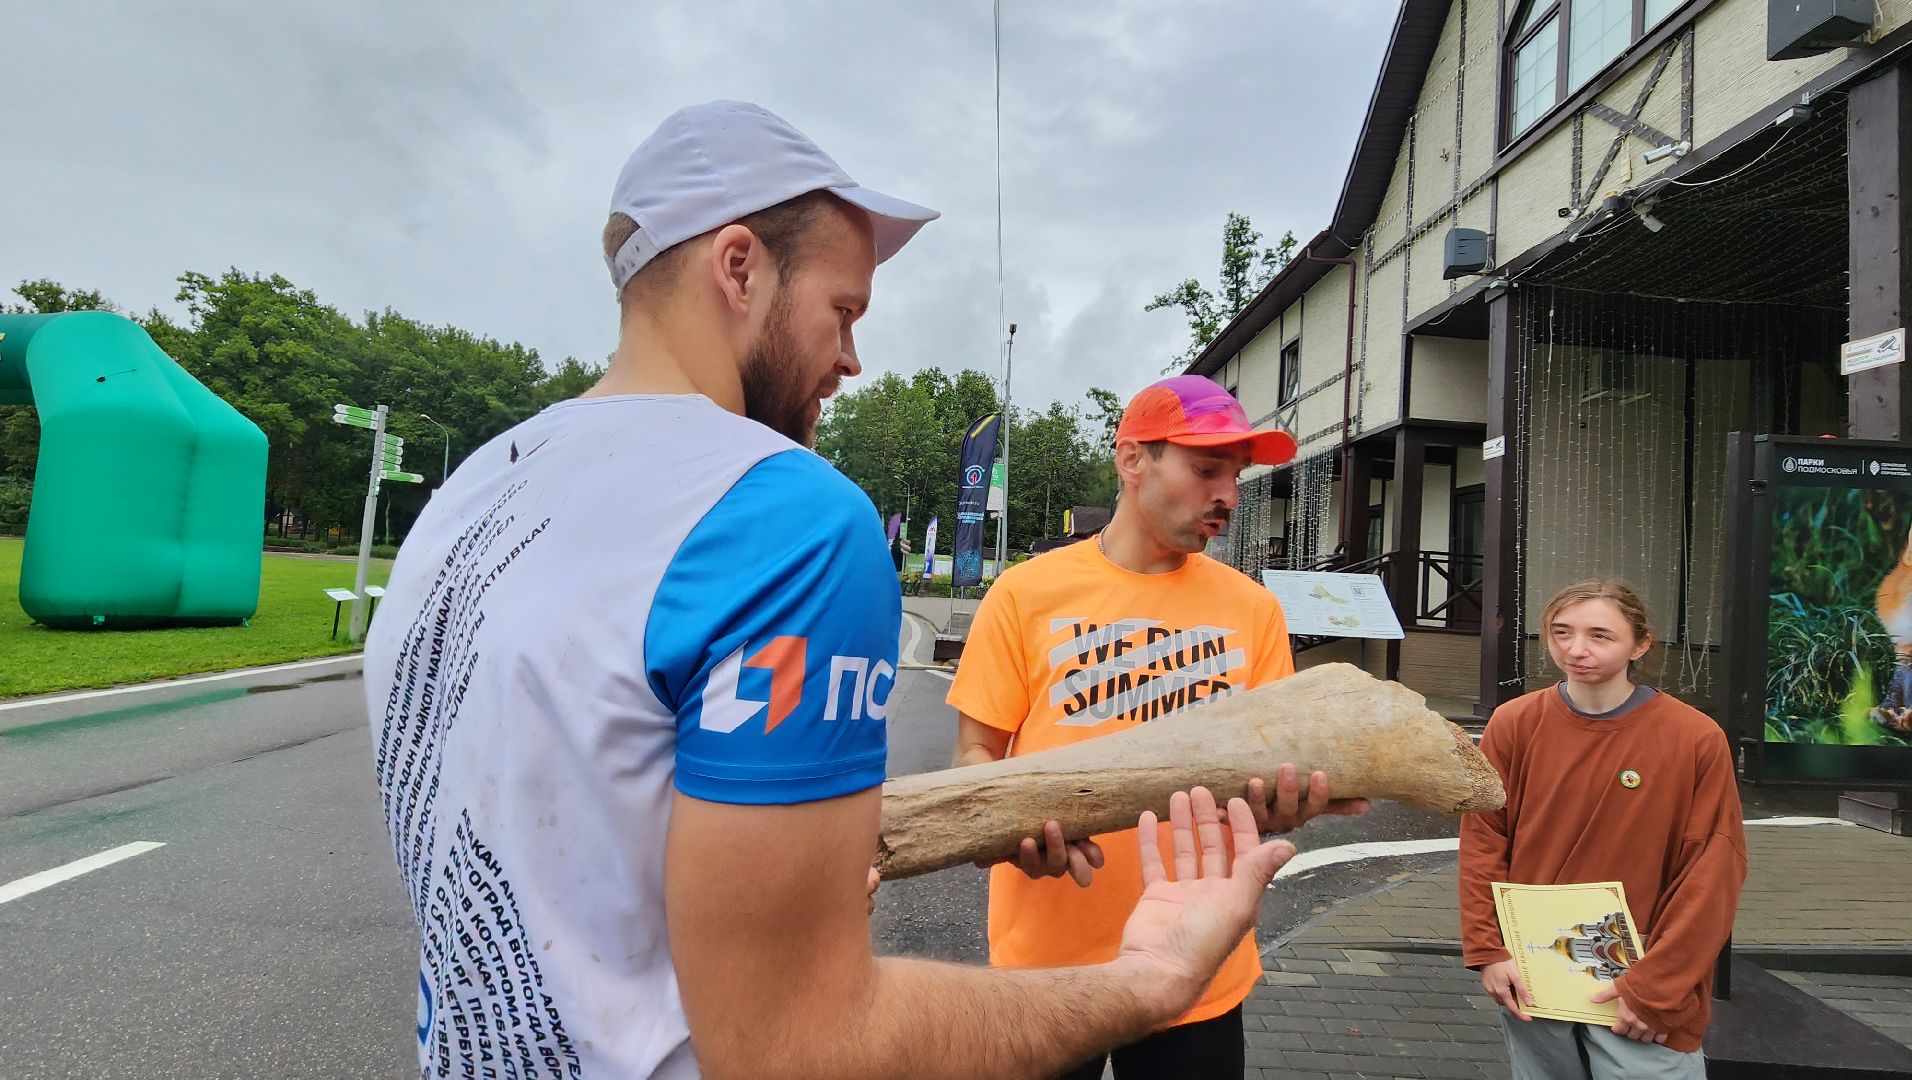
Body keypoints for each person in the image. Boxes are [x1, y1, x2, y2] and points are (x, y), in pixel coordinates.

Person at [363, 101, 1299, 1080]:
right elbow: (799, 1046)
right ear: (738, 268)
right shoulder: (788, 519)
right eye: (842, 311)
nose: (851, 361)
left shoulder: (472, 492)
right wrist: (1145, 983)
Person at [946, 375, 1370, 1080]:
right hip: (1047, 963)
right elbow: (976, 751)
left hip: (1199, 955)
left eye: (1236, 475)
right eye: (1207, 470)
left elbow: (1268, 766)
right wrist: (1004, 831)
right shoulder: (1025, 593)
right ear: (1132, 458)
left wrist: (1281, 805)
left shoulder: (1253, 609)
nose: (1229, 495)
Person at [1458, 579, 1748, 1080]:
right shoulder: (1514, 724)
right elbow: (1484, 844)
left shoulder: (1694, 738)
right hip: (1536, 970)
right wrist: (1488, 950)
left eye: (1600, 635)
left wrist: (1658, 987)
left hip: (1641, 979)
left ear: (1640, 644)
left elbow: (1713, 870)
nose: (1576, 649)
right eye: (1561, 632)